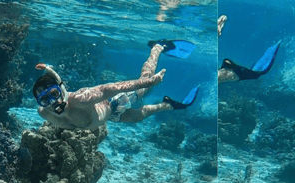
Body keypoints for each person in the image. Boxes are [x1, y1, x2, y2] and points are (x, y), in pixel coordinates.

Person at [33, 40, 200, 130]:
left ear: (61, 90)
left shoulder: (80, 99)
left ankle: (157, 47)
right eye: (45, 100)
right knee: (137, 117)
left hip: (112, 102)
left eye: (54, 95)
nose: (53, 103)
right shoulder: (44, 113)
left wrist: (150, 82)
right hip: (108, 116)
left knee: (145, 85)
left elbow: (115, 87)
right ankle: (167, 104)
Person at [218, 15, 281, 83]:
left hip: (230, 72)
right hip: (228, 70)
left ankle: (229, 72)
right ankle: (228, 72)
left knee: (254, 75)